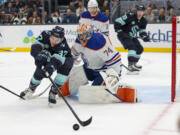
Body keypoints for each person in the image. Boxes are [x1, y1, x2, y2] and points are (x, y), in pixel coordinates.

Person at [56, 23, 138, 103]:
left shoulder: (98, 42)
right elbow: (72, 56)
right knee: (66, 86)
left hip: (103, 71)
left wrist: (115, 76)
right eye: (80, 35)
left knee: (91, 95)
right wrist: (64, 66)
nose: (81, 38)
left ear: (89, 34)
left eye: (83, 35)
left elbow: (114, 60)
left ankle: (122, 91)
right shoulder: (78, 41)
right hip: (89, 68)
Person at [20, 26, 74, 104]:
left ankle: (53, 92)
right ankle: (31, 89)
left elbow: (56, 60)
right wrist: (38, 56)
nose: (53, 41)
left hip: (65, 59)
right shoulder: (45, 34)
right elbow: (35, 46)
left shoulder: (63, 46)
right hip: (48, 53)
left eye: (57, 40)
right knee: (40, 70)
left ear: (61, 39)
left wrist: (50, 68)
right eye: (52, 38)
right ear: (50, 35)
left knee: (63, 73)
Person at [114, 5, 150, 74]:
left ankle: (134, 64)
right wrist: (119, 30)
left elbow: (142, 31)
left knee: (140, 49)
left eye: (141, 11)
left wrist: (145, 36)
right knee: (132, 47)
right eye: (139, 11)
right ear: (136, 11)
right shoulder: (130, 16)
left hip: (131, 36)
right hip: (123, 34)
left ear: (143, 12)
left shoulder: (144, 21)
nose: (140, 13)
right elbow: (117, 21)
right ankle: (130, 66)